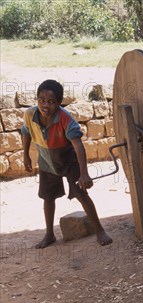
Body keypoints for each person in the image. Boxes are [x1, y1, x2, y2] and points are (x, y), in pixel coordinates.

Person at [20, 79, 112, 249]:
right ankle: (49, 234)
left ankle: (99, 230)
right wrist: (25, 155)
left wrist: (84, 173)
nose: (45, 105)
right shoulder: (29, 115)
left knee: (82, 194)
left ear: (59, 103)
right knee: (47, 197)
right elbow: (25, 132)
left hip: (69, 161)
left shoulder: (65, 119)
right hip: (47, 162)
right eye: (41, 100)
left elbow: (78, 146)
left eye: (51, 101)